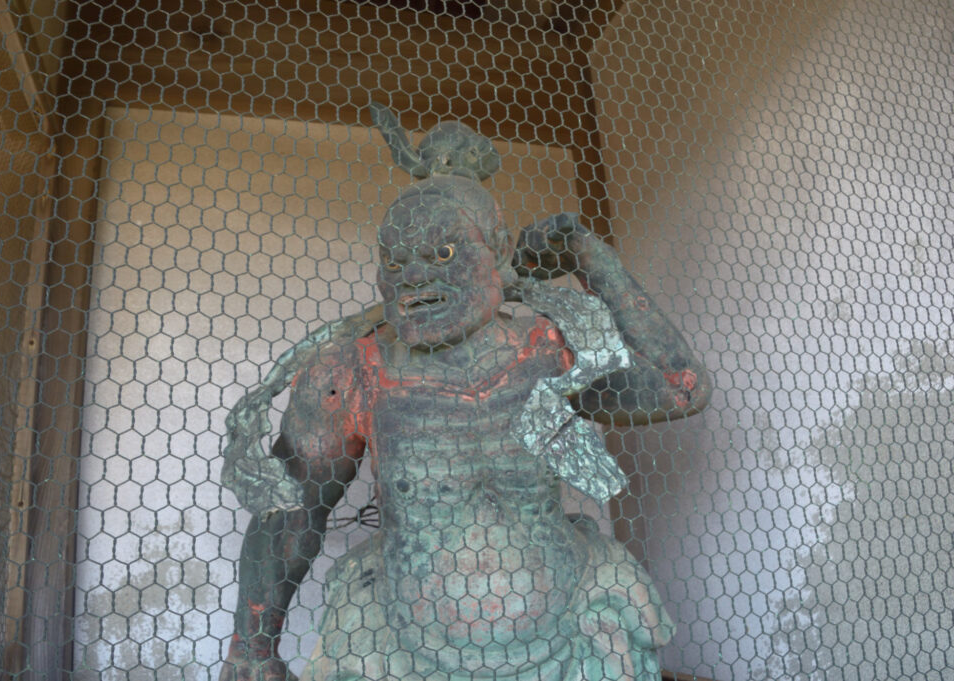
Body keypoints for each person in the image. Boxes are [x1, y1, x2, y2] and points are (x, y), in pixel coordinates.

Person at [221, 174, 710, 681]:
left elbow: (679, 388)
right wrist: (252, 648)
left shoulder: (546, 350)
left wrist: (593, 260)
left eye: (444, 253)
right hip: (400, 644)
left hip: (573, 627)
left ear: (498, 251)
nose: (414, 275)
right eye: (394, 262)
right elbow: (290, 512)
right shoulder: (351, 371)